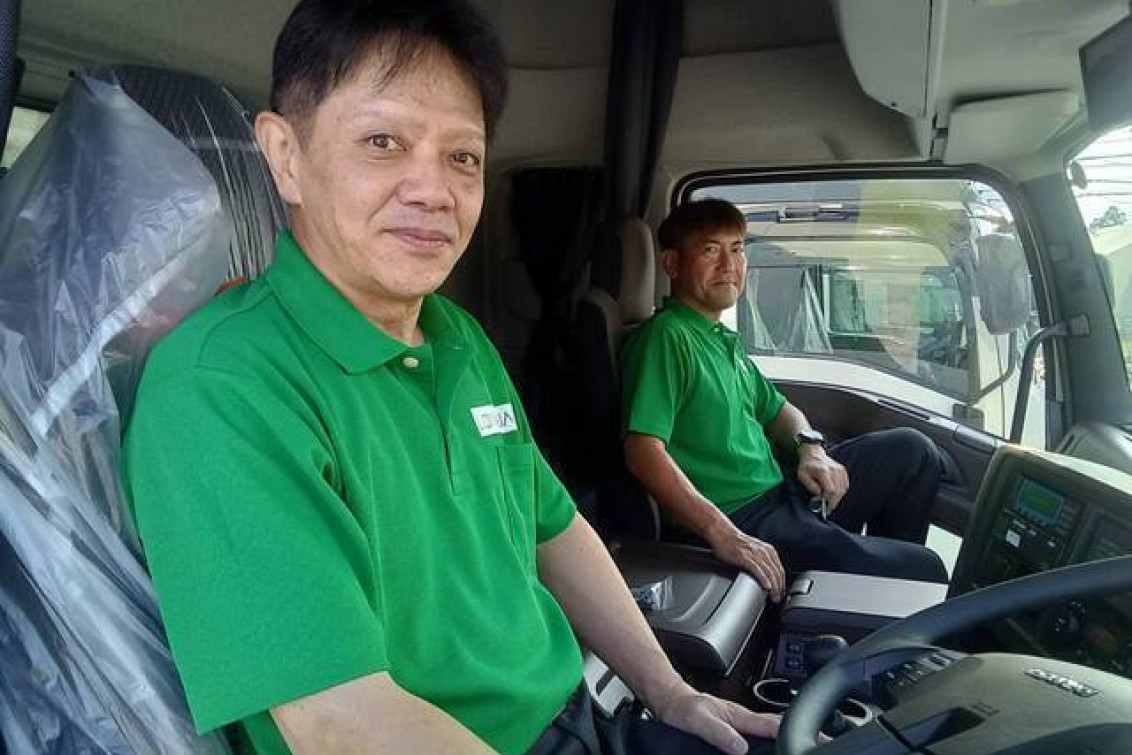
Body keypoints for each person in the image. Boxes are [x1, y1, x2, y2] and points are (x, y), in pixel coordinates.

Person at [123, 3, 779, 755]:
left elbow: (554, 529)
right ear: (285, 155)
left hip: (580, 713)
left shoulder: (456, 334)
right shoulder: (220, 385)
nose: (434, 191)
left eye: (463, 157)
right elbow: (336, 721)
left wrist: (671, 693)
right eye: (383, 142)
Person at [621, 199, 949, 602]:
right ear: (672, 264)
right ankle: (878, 583)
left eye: (737, 249)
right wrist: (723, 534)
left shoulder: (719, 338)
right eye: (710, 250)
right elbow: (643, 452)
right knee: (924, 570)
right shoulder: (666, 338)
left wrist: (812, 450)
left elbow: (780, 411)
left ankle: (869, 592)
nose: (729, 265)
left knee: (913, 451)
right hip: (744, 517)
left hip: (782, 491)